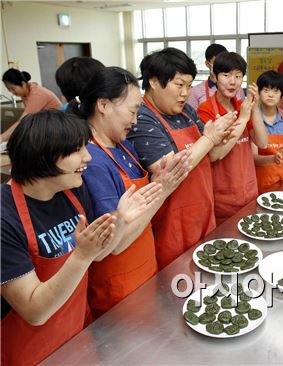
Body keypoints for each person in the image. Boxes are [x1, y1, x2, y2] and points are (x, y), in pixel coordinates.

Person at [1, 110, 157, 365]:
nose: (87, 157)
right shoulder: (5, 218)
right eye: (78, 150)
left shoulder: (72, 189)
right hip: (31, 352)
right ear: (45, 158)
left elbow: (100, 252)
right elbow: (34, 310)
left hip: (76, 334)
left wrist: (121, 218)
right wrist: (81, 256)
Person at [69, 67, 190, 315]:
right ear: (103, 105)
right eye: (132, 111)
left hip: (145, 264)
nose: (135, 121)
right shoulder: (92, 160)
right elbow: (115, 243)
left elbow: (140, 205)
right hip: (118, 282)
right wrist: (163, 189)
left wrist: (159, 178)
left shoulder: (122, 145)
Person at [127, 48, 238, 268]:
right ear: (154, 82)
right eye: (179, 85)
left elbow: (212, 155)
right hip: (171, 225)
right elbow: (170, 169)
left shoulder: (187, 111)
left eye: (189, 85)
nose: (185, 93)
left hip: (203, 213)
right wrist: (209, 138)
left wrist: (221, 137)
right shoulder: (142, 117)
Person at [197, 51, 268, 223]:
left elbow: (262, 142)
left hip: (249, 191)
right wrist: (243, 119)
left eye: (238, 76)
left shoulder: (241, 106)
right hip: (222, 198)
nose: (232, 81)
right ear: (214, 77)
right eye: (226, 75)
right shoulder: (205, 109)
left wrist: (254, 108)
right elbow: (216, 154)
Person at [1, 69, 62, 141]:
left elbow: (23, 121)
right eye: (9, 89)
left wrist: (1, 138)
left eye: (13, 89)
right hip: (47, 124)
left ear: (23, 84)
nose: (12, 92)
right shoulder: (25, 93)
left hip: (57, 127)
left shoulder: (37, 94)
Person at [187, 44, 245, 110]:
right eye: (216, 62)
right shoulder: (195, 91)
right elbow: (191, 117)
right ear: (207, 64)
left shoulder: (238, 89)